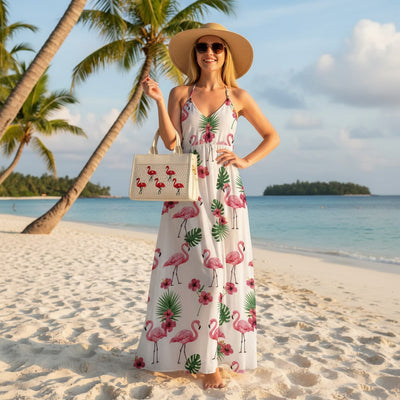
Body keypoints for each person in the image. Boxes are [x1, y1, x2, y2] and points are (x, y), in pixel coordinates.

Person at [134, 23, 280, 389]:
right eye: (203, 46)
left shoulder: (239, 96)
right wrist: (156, 100)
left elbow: (272, 136)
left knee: (222, 278)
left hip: (225, 188)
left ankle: (211, 360)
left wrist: (245, 160)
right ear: (195, 53)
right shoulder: (180, 92)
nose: (209, 51)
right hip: (187, 188)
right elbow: (172, 141)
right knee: (205, 275)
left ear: (226, 53)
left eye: (217, 46)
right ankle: (201, 362)